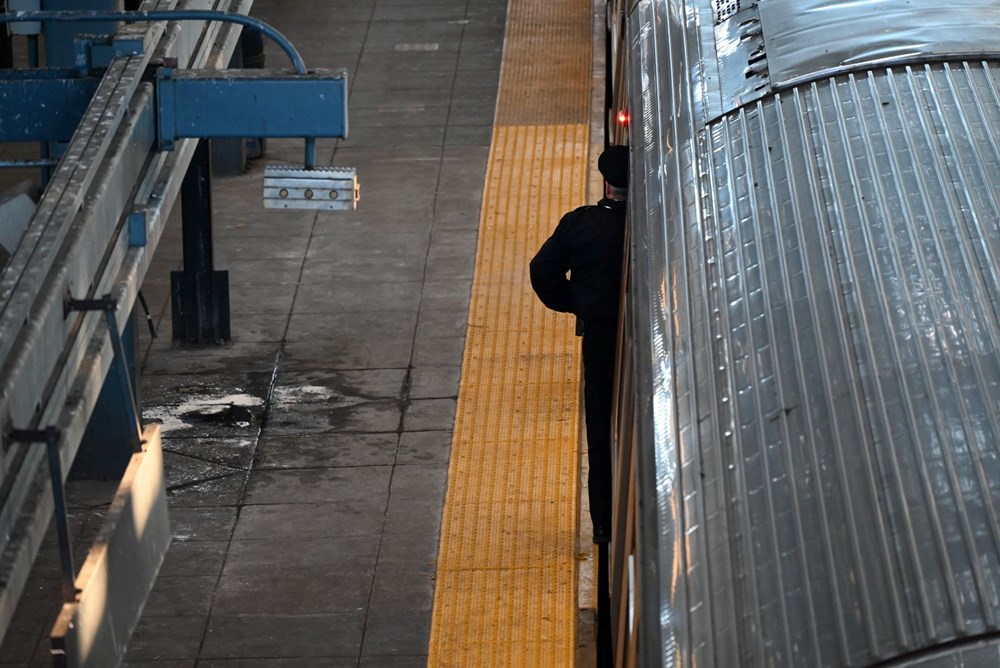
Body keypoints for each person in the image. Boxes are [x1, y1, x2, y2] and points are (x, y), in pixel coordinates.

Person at [529, 145, 628, 545]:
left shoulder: (582, 225)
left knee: (601, 429)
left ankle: (603, 525)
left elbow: (542, 270)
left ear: (606, 183)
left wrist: (576, 302)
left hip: (602, 338)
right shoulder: (659, 223)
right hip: (654, 329)